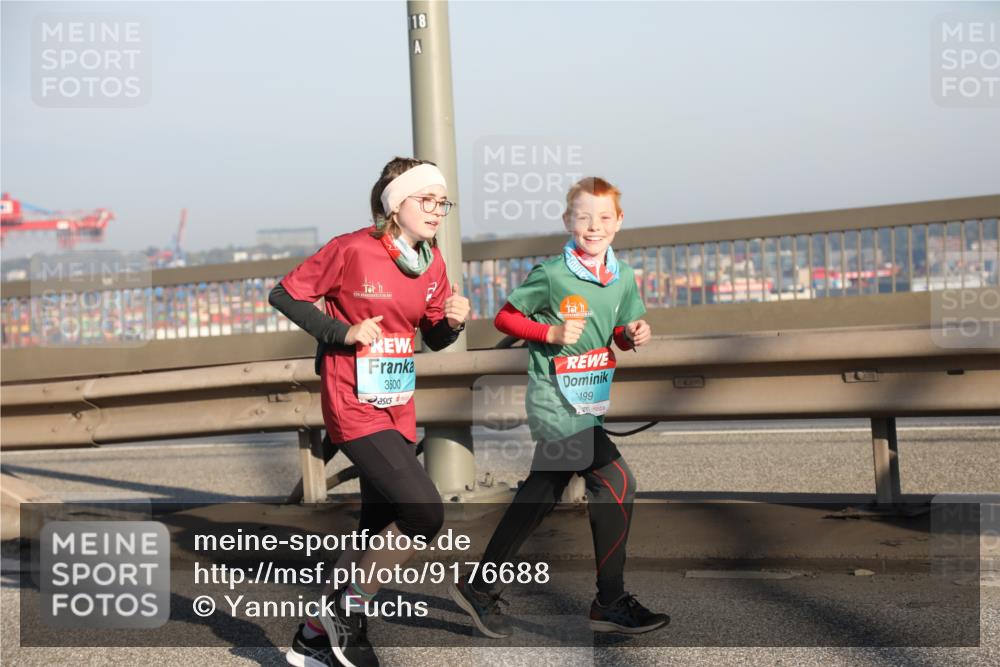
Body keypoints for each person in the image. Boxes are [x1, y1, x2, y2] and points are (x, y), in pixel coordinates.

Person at [269, 157, 470, 667]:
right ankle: (345, 611)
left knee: (375, 527)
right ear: (393, 204)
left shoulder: (431, 260)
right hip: (351, 401)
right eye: (425, 200)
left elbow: (435, 336)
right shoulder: (352, 249)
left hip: (397, 403)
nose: (436, 210)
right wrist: (343, 332)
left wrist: (454, 321)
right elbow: (284, 293)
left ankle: (313, 640)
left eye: (442, 202)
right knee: (424, 514)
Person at [449, 176, 670, 638]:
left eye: (604, 217)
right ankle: (610, 600)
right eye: (583, 217)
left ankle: (480, 587)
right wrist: (548, 334)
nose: (594, 226)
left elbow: (621, 329)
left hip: (590, 402)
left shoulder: (624, 276)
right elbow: (506, 317)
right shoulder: (552, 274)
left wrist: (633, 336)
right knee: (617, 478)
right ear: (568, 220)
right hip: (554, 403)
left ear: (619, 222)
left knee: (539, 495)